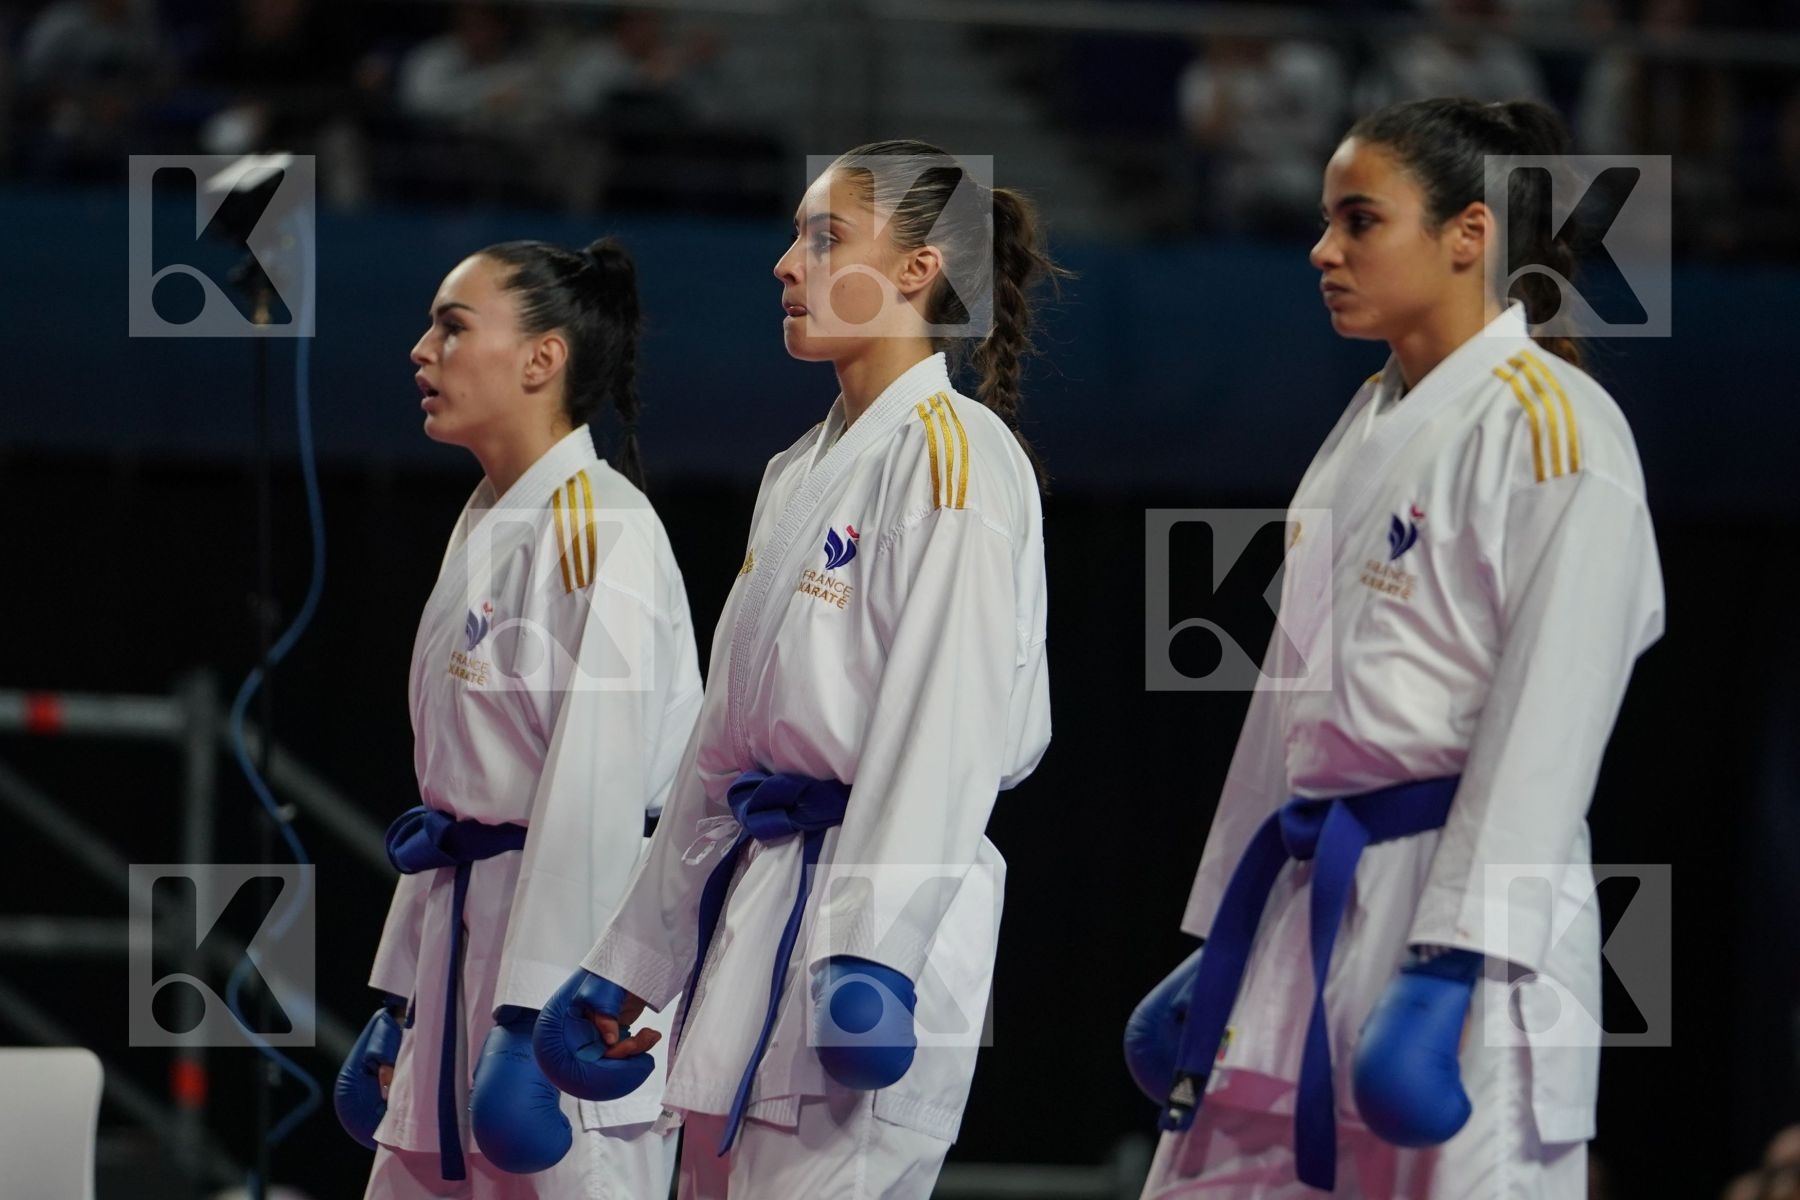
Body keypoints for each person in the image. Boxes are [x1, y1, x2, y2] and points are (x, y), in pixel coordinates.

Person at [1124, 97, 1665, 1197]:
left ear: (1469, 233)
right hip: (1309, 895)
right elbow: (1291, 702)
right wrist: (1224, 921)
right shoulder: (1365, 423)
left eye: (1359, 220)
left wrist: (1459, 955)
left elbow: (1550, 721)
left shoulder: (1556, 426)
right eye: (1326, 219)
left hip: (1457, 913)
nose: (1322, 249)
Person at [531, 140, 1056, 1198]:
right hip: (757, 917)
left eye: (822, 237)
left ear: (917, 269)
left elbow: (944, 727)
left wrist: (874, 949)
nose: (784, 264)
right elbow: (720, 750)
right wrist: (631, 962)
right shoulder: (795, 472)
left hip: (874, 926)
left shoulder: (958, 453)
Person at [334, 236, 703, 1198]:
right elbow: (450, 811)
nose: (422, 350)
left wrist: (533, 1013)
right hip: (457, 952)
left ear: (543, 359)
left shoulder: (602, 528)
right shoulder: (489, 522)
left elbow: (596, 796)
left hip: (571, 985)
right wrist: (399, 992)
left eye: (454, 328)